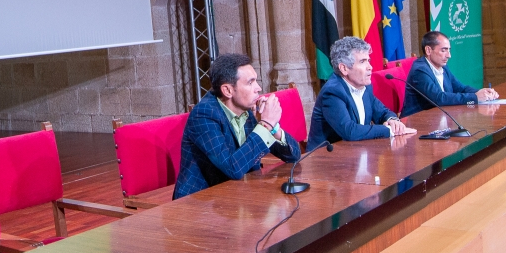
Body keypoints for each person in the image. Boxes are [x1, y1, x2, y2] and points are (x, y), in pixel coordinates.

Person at [173, 53, 301, 199]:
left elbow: (294, 155)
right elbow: (232, 168)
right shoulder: (204, 115)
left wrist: (273, 128)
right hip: (199, 204)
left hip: (236, 195)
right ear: (227, 90)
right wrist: (265, 125)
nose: (258, 88)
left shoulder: (245, 111)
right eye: (250, 82)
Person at [308, 36, 416, 148]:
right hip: (326, 159)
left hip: (356, 151)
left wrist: (393, 121)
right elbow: (349, 131)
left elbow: (382, 112)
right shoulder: (332, 92)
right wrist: (388, 130)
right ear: (344, 68)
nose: (370, 67)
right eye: (362, 61)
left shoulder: (365, 87)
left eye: (368, 60)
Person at [400, 31, 499, 117]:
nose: (449, 55)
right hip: (417, 122)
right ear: (428, 50)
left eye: (449, 50)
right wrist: (475, 97)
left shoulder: (443, 66)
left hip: (440, 118)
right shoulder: (420, 70)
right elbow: (438, 99)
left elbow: (461, 88)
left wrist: (483, 93)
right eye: (444, 50)